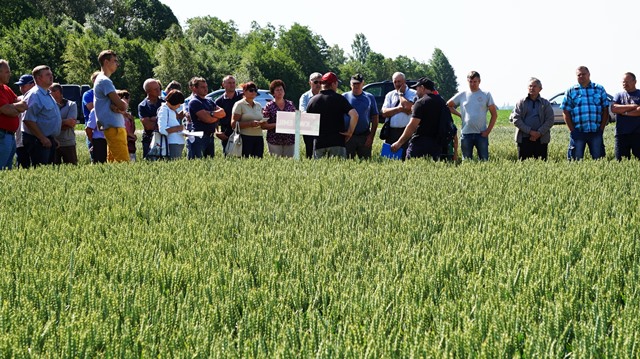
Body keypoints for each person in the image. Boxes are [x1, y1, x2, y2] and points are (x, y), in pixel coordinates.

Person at [390, 77, 450, 160]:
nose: (416, 91)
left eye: (417, 88)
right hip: (437, 144)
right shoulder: (442, 102)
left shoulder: (421, 103)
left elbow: (412, 126)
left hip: (420, 144)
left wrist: (399, 143)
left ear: (422, 88)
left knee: (413, 168)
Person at [561, 66, 609, 160]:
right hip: (578, 132)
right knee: (575, 161)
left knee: (599, 161)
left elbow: (605, 110)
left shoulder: (599, 89)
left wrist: (601, 129)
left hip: (595, 131)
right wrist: (572, 130)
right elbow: (565, 111)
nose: (581, 76)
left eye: (584, 74)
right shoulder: (571, 91)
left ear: (589, 74)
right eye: (579, 75)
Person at [447, 71, 497, 161]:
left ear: (479, 81)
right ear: (467, 81)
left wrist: (488, 131)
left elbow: (494, 115)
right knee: (466, 161)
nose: (472, 84)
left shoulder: (486, 95)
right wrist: (460, 115)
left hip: (481, 134)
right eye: (470, 81)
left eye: (475, 81)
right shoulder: (462, 94)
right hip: (466, 134)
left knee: (484, 160)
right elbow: (448, 105)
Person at [306, 72, 358, 159]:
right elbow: (355, 115)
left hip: (319, 143)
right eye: (336, 83)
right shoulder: (340, 99)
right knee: (337, 171)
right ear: (333, 84)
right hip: (337, 142)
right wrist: (350, 132)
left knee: (320, 171)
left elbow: (308, 123)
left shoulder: (312, 100)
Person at [94, 49, 129, 162]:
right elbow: (122, 106)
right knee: (123, 163)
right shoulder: (105, 81)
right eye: (115, 61)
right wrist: (124, 103)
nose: (117, 64)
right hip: (115, 128)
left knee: (114, 163)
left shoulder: (101, 80)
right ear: (106, 62)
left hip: (111, 127)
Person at [22, 65, 61, 166]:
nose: (51, 77)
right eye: (47, 75)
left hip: (47, 140)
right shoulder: (34, 95)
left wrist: (52, 137)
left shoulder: (46, 94)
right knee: (41, 171)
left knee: (48, 172)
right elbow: (28, 119)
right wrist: (42, 138)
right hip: (38, 141)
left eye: (51, 74)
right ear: (39, 78)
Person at [509, 77, 554, 160]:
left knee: (541, 165)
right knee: (523, 165)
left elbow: (550, 120)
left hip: (541, 139)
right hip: (524, 139)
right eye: (530, 86)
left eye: (534, 86)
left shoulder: (545, 103)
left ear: (540, 89)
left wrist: (539, 133)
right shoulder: (521, 102)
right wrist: (530, 131)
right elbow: (516, 119)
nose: (531, 88)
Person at [343, 73, 379, 159]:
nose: (356, 86)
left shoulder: (369, 97)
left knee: (366, 162)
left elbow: (375, 117)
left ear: (363, 83)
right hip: (348, 137)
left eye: (358, 83)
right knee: (346, 163)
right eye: (354, 83)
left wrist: (371, 136)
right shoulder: (344, 97)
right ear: (350, 84)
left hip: (364, 136)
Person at [381, 72, 416, 160]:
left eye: (399, 81)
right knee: (389, 160)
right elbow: (384, 112)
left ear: (404, 82)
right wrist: (400, 109)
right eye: (395, 82)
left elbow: (408, 107)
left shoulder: (413, 93)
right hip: (391, 132)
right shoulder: (390, 95)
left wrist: (401, 94)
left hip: (406, 132)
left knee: (406, 159)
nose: (397, 84)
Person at [187, 77, 225, 159]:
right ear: (195, 88)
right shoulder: (195, 102)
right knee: (197, 162)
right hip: (199, 137)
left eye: (206, 87)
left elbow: (222, 113)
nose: (205, 89)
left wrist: (210, 114)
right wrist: (215, 116)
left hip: (210, 137)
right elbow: (207, 119)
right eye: (202, 87)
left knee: (209, 164)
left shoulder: (209, 100)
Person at [0, 60, 28, 170]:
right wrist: (16, 108)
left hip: (10, 136)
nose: (9, 74)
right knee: (2, 169)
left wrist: (13, 107)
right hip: (2, 135)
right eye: (7, 72)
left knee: (7, 169)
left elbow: (22, 104)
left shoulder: (6, 88)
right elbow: (6, 109)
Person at [231, 81, 267, 158]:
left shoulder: (258, 105)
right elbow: (233, 124)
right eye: (251, 90)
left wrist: (262, 123)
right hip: (245, 138)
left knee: (258, 163)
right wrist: (250, 124)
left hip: (258, 138)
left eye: (255, 90)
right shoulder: (239, 104)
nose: (253, 92)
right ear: (244, 91)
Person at [262, 79, 295, 157]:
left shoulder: (290, 104)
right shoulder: (269, 106)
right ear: (273, 93)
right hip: (274, 140)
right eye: (277, 90)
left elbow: (295, 120)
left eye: (281, 89)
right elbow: (264, 125)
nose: (280, 91)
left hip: (289, 140)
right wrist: (278, 124)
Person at [611, 72, 640, 160]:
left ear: (635, 81)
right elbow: (614, 108)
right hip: (621, 134)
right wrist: (633, 106)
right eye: (623, 82)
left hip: (637, 133)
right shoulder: (619, 95)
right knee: (620, 161)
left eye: (627, 81)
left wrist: (625, 113)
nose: (625, 84)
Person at [50, 83, 78, 165]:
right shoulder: (49, 106)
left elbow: (71, 124)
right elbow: (48, 123)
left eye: (50, 91)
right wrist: (65, 121)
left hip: (68, 142)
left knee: (72, 168)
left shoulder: (71, 105)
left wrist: (54, 125)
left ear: (57, 92)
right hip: (53, 143)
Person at [214, 75, 243, 154]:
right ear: (223, 85)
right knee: (229, 157)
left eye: (233, 83)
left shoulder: (242, 97)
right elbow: (216, 119)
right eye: (229, 83)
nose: (232, 85)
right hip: (227, 134)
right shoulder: (219, 101)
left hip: (243, 131)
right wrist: (217, 132)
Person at [138, 78, 164, 159]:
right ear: (148, 91)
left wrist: (154, 119)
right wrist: (162, 121)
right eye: (155, 89)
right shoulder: (143, 106)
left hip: (164, 139)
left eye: (159, 88)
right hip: (149, 140)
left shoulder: (164, 102)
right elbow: (148, 126)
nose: (158, 90)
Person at [299, 72, 322, 158]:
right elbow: (303, 111)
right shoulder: (305, 97)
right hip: (309, 128)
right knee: (310, 153)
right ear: (310, 83)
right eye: (316, 82)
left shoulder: (326, 95)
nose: (318, 84)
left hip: (323, 129)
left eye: (321, 82)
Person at [12, 73, 34, 169]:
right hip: (20, 140)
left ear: (33, 85)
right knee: (22, 167)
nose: (21, 88)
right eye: (20, 86)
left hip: (34, 139)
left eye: (23, 85)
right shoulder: (18, 99)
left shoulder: (37, 98)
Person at [158, 90, 186, 159]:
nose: (179, 106)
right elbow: (162, 129)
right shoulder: (164, 110)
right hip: (172, 143)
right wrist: (178, 128)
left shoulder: (171, 110)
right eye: (178, 104)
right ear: (174, 102)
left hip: (178, 142)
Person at [82, 71, 100, 161]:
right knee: (95, 154)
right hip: (92, 129)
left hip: (104, 131)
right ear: (94, 81)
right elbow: (93, 108)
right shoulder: (88, 94)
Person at [117, 90, 137, 161]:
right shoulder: (118, 116)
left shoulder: (129, 116)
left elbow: (132, 128)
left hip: (130, 143)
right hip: (123, 141)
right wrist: (132, 135)